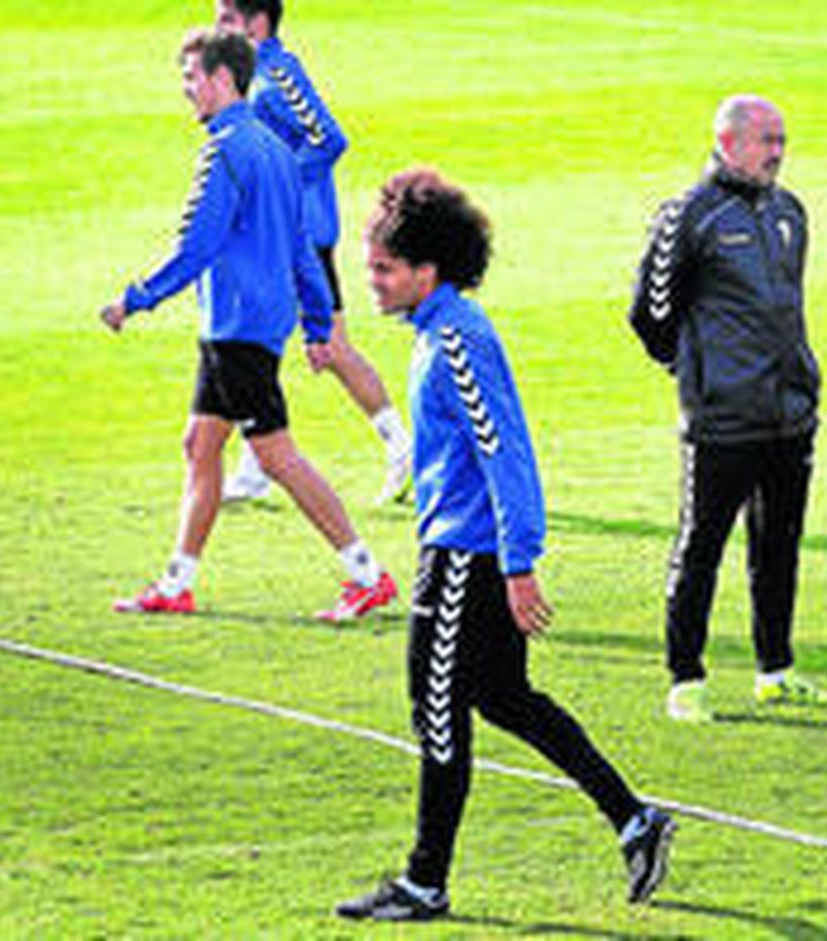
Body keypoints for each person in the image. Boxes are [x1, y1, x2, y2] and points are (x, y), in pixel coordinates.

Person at [335, 168, 674, 921]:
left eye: (386, 270)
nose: (376, 284)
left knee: (437, 707)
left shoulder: (457, 341)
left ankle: (425, 881)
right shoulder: (438, 331)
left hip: (467, 557)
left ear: (429, 270)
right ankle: (634, 820)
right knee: (504, 698)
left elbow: (504, 453)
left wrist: (520, 562)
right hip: (466, 549)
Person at [100, 28, 396, 622]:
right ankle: (177, 582)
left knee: (277, 456)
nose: (186, 91)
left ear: (221, 78)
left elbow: (195, 247)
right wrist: (316, 324)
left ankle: (368, 574)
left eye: (191, 78)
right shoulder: (276, 152)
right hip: (249, 328)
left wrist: (135, 300)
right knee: (200, 445)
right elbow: (299, 248)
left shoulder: (225, 152)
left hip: (237, 328)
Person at [628, 94, 827, 723]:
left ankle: (776, 669)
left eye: (782, 140)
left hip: (789, 413)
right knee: (701, 547)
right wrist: (695, 373)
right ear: (727, 141)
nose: (776, 152)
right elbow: (650, 313)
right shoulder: (688, 216)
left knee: (780, 547)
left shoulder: (789, 212)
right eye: (765, 139)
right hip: (722, 418)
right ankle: (684, 680)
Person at [213, 0, 412, 506]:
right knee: (267, 342)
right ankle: (256, 466)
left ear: (256, 22)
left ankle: (399, 444)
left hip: (299, 233)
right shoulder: (253, 73)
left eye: (226, 18)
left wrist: (276, 185)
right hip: (279, 232)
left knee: (326, 347)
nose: (217, 27)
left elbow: (330, 139)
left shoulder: (279, 74)